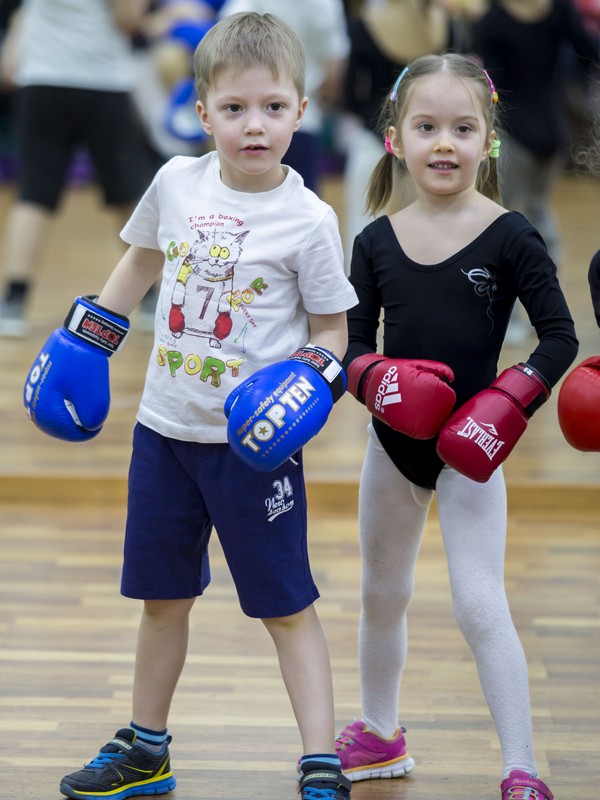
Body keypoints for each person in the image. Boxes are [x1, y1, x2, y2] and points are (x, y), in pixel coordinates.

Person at [23, 11, 358, 800]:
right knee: (161, 599)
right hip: (165, 435)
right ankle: (147, 748)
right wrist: (87, 341)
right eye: (235, 109)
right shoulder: (175, 181)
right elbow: (140, 261)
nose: (254, 125)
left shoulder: (309, 219)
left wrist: (311, 376)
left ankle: (320, 757)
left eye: (273, 108)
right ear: (200, 111)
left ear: (301, 112)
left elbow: (336, 328)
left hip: (254, 447)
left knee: (286, 605)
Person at [335, 53, 578, 800]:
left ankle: (522, 766)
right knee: (383, 592)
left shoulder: (510, 235)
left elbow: (561, 336)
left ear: (489, 141)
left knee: (480, 603)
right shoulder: (375, 240)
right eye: (428, 126)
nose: (445, 143)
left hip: (473, 451)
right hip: (391, 446)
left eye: (463, 128)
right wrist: (374, 380)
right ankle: (380, 733)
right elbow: (351, 345)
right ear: (395, 139)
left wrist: (511, 399)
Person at [0, 0, 154, 337]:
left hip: (41, 78)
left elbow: (22, 12)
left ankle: (13, 299)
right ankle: (150, 298)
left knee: (33, 194)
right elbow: (128, 19)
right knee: (126, 191)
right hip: (102, 81)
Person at [473, 0, 598, 342]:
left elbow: (488, 86)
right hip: (552, 128)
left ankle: (516, 320)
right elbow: (589, 53)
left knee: (508, 222)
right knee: (539, 215)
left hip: (515, 133)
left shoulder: (492, 19)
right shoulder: (558, 10)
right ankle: (544, 314)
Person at [341, 0, 450, 272]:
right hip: (429, 140)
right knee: (431, 230)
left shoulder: (367, 25)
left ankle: (359, 298)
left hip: (376, 138)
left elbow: (351, 96)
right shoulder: (444, 24)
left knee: (363, 225)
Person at [217, 0, 350, 195]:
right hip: (303, 117)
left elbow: (222, 44)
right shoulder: (326, 4)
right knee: (301, 208)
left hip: (250, 122)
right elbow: (334, 64)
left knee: (244, 206)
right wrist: (323, 100)